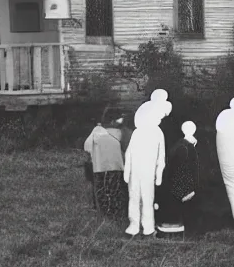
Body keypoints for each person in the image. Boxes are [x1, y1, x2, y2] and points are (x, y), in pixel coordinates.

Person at [124, 101, 166, 237]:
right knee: (134, 196)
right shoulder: (137, 132)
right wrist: (127, 171)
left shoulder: (158, 133)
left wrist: (159, 173)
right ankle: (134, 225)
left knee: (148, 199)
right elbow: (129, 153)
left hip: (149, 171)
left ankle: (148, 226)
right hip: (135, 171)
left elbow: (161, 155)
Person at [155, 121, 200, 236]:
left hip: (176, 188)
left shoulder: (180, 145)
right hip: (182, 189)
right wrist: (187, 190)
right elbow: (184, 171)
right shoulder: (185, 148)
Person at [83, 112, 128, 219]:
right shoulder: (121, 132)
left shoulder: (95, 133)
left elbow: (87, 148)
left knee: (101, 188)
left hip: (99, 166)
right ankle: (117, 211)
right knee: (115, 188)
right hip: (117, 165)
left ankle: (104, 211)